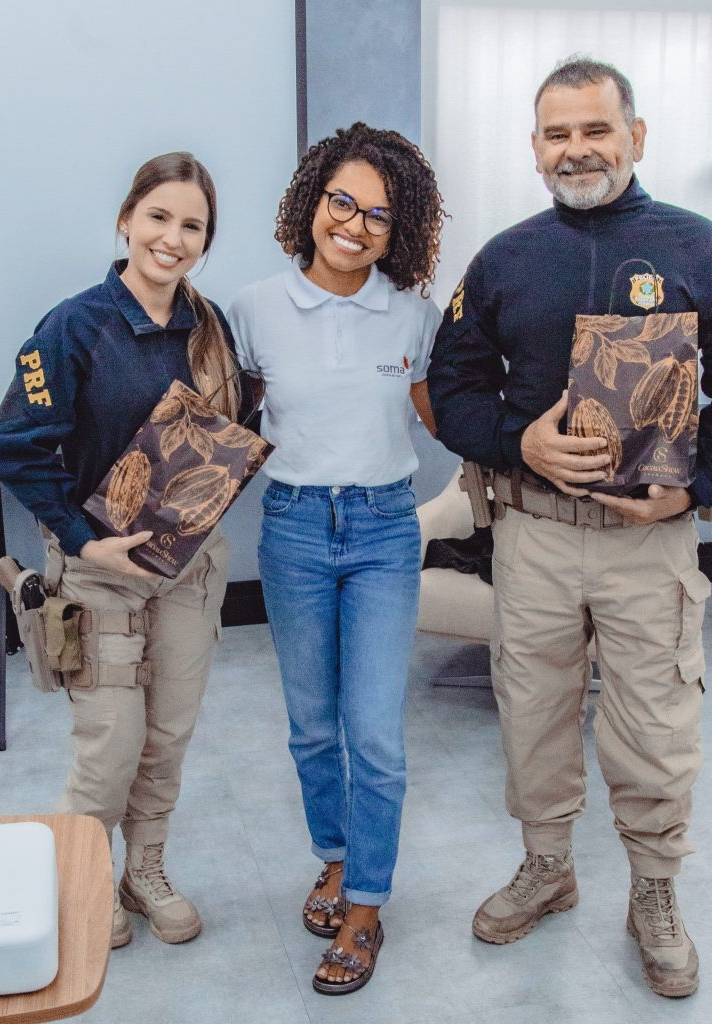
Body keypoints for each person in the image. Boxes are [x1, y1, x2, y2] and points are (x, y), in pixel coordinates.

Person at [427, 58, 712, 998]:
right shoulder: (502, 258)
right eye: (557, 134)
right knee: (533, 716)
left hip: (649, 541)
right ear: (535, 148)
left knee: (656, 723)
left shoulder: (697, 247)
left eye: (595, 129)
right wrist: (520, 442)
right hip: (534, 535)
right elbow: (453, 392)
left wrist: (699, 484)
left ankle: (655, 892)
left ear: (635, 135)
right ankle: (547, 867)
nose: (576, 149)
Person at [0, 152, 241, 950]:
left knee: (167, 736)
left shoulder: (210, 327)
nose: (173, 238)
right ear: (127, 219)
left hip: (187, 574)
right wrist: (83, 541)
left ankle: (147, 869)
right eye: (159, 217)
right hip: (99, 579)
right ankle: (84, 875)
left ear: (205, 239)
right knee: (111, 746)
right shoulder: (74, 326)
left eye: (191, 225)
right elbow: (15, 447)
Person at [228, 122, 446, 995]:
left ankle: (365, 903)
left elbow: (445, 417)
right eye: (341, 203)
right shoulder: (252, 309)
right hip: (291, 531)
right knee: (313, 727)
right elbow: (225, 421)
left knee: (376, 738)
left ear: (402, 232)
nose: (354, 226)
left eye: (379, 217)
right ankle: (332, 857)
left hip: (387, 532)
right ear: (312, 203)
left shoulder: (415, 316)